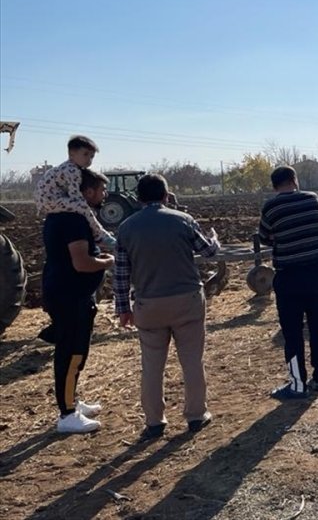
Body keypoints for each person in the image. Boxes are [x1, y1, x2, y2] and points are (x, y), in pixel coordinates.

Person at [114, 174, 219, 441]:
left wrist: (123, 307)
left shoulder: (125, 229)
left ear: (138, 198)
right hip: (187, 300)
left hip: (149, 304)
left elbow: (121, 274)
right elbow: (208, 252)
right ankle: (196, 415)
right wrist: (214, 238)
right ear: (166, 194)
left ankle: (154, 422)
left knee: (151, 365)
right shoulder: (182, 220)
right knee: (192, 361)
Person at [43, 168, 116, 434]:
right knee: (71, 354)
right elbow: (83, 263)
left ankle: (72, 401)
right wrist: (108, 261)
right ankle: (67, 415)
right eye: (101, 190)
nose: (104, 194)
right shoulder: (74, 221)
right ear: (87, 192)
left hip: (69, 294)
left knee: (76, 352)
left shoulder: (65, 217)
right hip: (69, 297)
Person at [259, 166, 318, 400]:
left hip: (288, 276)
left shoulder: (271, 207)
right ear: (294, 180)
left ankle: (297, 384)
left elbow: (265, 237)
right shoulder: (313, 199)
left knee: (292, 332)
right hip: (316, 273)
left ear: (274, 185)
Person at [34, 135, 116, 248]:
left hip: (46, 201)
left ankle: (95, 233)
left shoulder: (66, 167)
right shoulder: (72, 170)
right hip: (51, 200)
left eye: (92, 156)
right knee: (82, 207)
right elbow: (76, 197)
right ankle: (100, 235)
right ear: (71, 154)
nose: (89, 160)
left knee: (83, 209)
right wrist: (88, 212)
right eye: (85, 154)